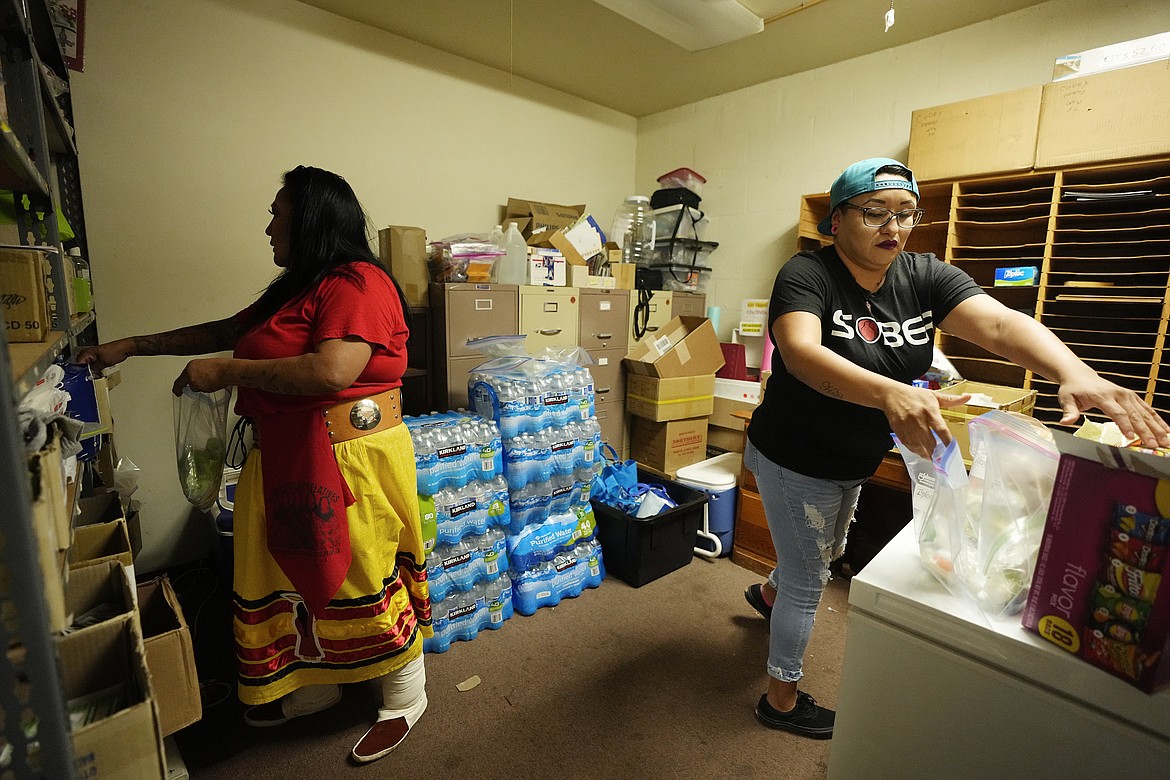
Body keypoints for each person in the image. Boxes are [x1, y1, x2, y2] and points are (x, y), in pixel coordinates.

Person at [742, 157, 1170, 740]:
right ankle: (780, 700)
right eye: (874, 213)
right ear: (836, 222)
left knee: (828, 545)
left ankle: (768, 595)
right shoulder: (806, 274)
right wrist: (893, 394)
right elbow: (800, 353)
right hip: (795, 455)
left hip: (853, 456)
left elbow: (998, 325)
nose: (892, 226)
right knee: (808, 577)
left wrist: (1076, 372)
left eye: (905, 214)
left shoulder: (922, 274)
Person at [77, 165, 431, 764]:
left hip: (349, 457)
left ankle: (404, 691)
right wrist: (132, 346)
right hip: (290, 451)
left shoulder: (358, 282)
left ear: (312, 217)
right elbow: (224, 330)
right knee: (290, 570)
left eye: (278, 213)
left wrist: (225, 373)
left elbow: (331, 371)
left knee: (360, 569)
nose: (268, 227)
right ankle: (320, 682)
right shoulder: (297, 287)